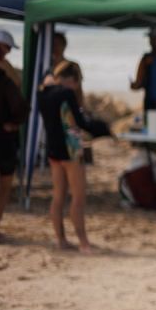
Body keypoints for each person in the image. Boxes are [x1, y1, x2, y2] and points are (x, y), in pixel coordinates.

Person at [37, 61, 111, 252]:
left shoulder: (43, 92)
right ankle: (84, 243)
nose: (77, 87)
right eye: (77, 82)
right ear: (71, 79)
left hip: (53, 150)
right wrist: (103, 128)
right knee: (78, 198)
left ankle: (61, 240)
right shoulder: (66, 93)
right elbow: (80, 123)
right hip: (70, 150)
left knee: (58, 197)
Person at [0, 40, 28, 245]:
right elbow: (21, 108)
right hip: (2, 141)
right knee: (1, 187)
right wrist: (13, 123)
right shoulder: (5, 83)